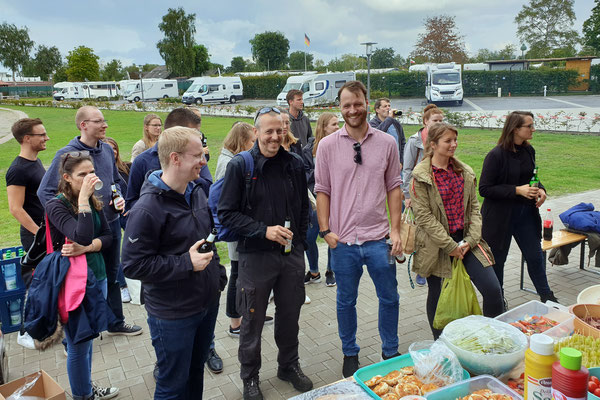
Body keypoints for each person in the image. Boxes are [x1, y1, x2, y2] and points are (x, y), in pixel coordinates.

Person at [122, 127, 225, 400]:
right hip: (173, 315)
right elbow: (132, 266)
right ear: (176, 158)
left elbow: (206, 240)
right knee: (172, 386)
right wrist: (185, 263)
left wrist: (218, 274)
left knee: (195, 374)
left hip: (205, 304)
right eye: (198, 156)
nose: (204, 161)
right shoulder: (147, 209)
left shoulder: (197, 191)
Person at [218, 107, 313, 400]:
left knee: (290, 315)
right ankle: (250, 378)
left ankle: (288, 366)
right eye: (268, 131)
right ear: (256, 133)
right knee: (252, 321)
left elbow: (301, 207)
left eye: (279, 130)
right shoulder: (240, 166)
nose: (275, 136)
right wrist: (264, 231)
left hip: (290, 255)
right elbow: (226, 214)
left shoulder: (294, 164)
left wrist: (299, 245)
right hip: (255, 257)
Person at [314, 81, 403, 378]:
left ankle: (390, 350)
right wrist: (325, 230)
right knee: (345, 301)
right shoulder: (327, 146)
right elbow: (322, 190)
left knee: (390, 297)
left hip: (379, 238)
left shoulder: (387, 143)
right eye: (346, 105)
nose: (353, 110)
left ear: (367, 102)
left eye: (357, 103)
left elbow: (394, 186)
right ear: (339, 108)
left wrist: (397, 230)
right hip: (343, 241)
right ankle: (349, 352)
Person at [37, 106, 142, 337]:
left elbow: (115, 181)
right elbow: (44, 193)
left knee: (112, 274)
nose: (105, 125)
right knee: (82, 280)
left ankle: (115, 322)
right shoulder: (67, 154)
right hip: (81, 230)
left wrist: (119, 199)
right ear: (83, 125)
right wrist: (68, 218)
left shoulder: (106, 150)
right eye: (99, 121)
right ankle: (78, 334)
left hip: (110, 224)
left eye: (105, 120)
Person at [410, 122, 504, 340]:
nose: (454, 145)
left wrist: (470, 241)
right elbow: (424, 217)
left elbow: (474, 208)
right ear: (433, 145)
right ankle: (440, 343)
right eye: (448, 141)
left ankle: (492, 338)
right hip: (437, 246)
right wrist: (450, 246)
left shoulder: (464, 172)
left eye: (455, 140)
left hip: (467, 242)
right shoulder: (421, 177)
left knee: (492, 290)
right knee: (438, 295)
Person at [46, 152, 119, 400]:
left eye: (92, 172)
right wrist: (85, 200)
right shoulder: (56, 205)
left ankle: (86, 388)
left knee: (89, 341)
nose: (90, 178)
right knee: (78, 345)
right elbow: (82, 235)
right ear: (67, 178)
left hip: (97, 277)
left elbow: (107, 238)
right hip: (73, 284)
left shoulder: (93, 201)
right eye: (83, 174)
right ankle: (83, 395)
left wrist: (88, 248)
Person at [479, 111, 557, 305]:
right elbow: (484, 189)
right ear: (515, 129)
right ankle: (498, 302)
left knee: (535, 257)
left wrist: (541, 190)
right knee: (499, 261)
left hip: (526, 216)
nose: (533, 129)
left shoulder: (528, 150)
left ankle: (547, 298)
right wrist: (516, 191)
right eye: (529, 126)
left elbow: (532, 178)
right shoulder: (496, 155)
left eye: (532, 125)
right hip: (499, 219)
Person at [214, 121, 263, 338]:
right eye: (252, 141)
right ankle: (235, 320)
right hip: (235, 227)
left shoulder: (230, 158)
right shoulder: (230, 163)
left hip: (239, 226)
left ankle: (245, 313)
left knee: (242, 272)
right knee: (236, 272)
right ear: (243, 141)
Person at [6, 118, 48, 349]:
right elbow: (15, 208)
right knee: (36, 283)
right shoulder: (17, 170)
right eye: (41, 134)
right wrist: (39, 233)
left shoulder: (35, 162)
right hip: (35, 237)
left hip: (45, 233)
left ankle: (44, 326)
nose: (46, 138)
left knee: (47, 282)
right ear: (26, 139)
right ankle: (24, 332)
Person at [126, 108, 213, 212]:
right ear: (174, 131)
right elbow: (131, 202)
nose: (199, 137)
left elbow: (208, 188)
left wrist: (187, 172)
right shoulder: (142, 161)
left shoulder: (196, 156)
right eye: (193, 133)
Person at [402, 104, 444, 287]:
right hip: (418, 194)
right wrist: (407, 195)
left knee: (436, 231)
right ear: (426, 122)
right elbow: (407, 170)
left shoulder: (443, 139)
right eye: (435, 121)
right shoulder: (415, 141)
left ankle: (437, 266)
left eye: (441, 121)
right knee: (420, 234)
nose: (439, 124)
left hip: (438, 194)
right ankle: (421, 270)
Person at [301, 112, 338, 287]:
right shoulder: (308, 150)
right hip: (315, 200)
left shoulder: (341, 146)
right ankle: (314, 271)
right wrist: (321, 170)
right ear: (323, 127)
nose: (338, 128)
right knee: (310, 237)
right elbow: (305, 175)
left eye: (338, 124)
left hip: (335, 199)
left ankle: (331, 270)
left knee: (331, 234)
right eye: (334, 125)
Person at [105, 137, 132, 303]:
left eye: (114, 148)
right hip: (114, 214)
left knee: (133, 246)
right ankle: (123, 286)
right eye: (109, 148)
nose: (112, 152)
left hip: (130, 213)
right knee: (118, 252)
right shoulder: (100, 171)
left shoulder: (126, 167)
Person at [369, 98, 406, 167]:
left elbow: (402, 142)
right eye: (385, 106)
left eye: (389, 106)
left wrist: (401, 161)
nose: (388, 108)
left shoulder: (395, 123)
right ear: (377, 110)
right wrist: (389, 119)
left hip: (396, 164)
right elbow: (377, 136)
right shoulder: (372, 124)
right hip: (380, 165)